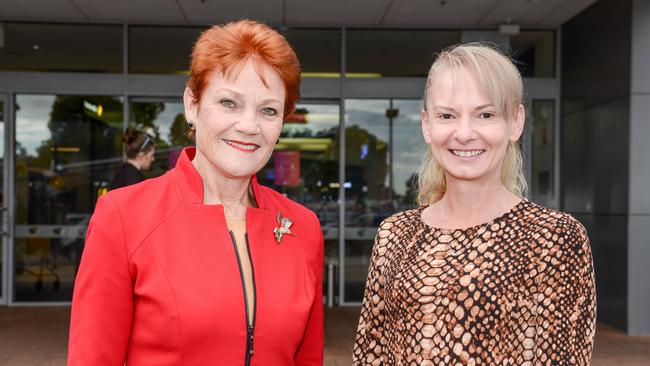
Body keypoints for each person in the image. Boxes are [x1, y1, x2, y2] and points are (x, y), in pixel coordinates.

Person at [68, 20, 324, 365]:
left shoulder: (303, 228)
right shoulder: (123, 216)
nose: (249, 126)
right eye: (229, 103)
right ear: (192, 105)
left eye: (268, 110)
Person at [353, 44, 596, 365]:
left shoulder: (554, 238)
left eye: (485, 114)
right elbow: (371, 355)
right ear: (427, 124)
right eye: (447, 115)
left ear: (515, 122)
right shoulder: (394, 235)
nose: (464, 133)